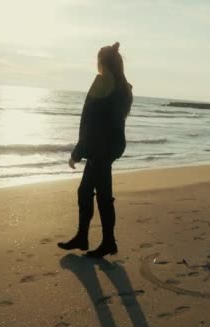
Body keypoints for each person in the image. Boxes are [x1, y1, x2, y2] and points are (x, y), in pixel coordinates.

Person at [58, 42, 133, 258]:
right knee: (90, 192)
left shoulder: (103, 82)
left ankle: (105, 241)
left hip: (101, 145)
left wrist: (77, 152)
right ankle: (86, 237)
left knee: (100, 194)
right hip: (112, 144)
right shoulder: (123, 86)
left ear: (102, 62)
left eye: (97, 61)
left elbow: (88, 121)